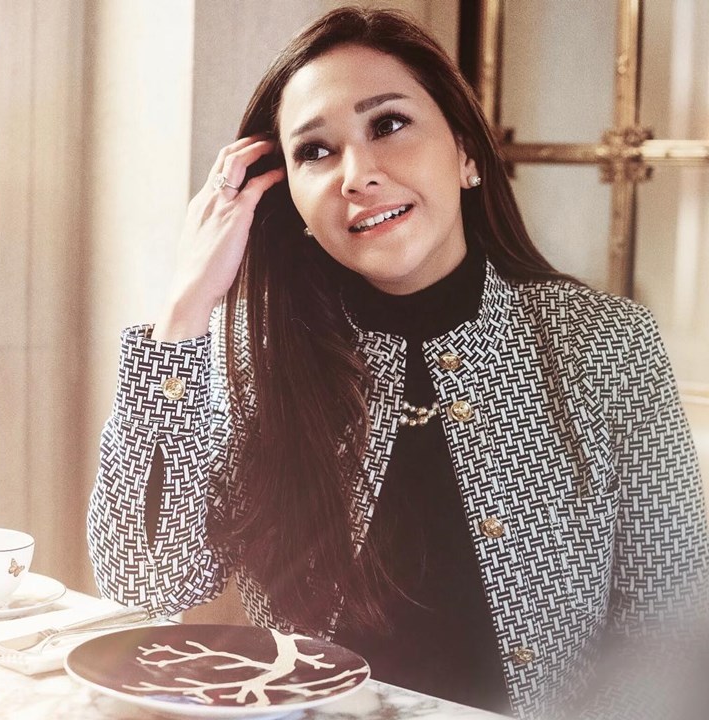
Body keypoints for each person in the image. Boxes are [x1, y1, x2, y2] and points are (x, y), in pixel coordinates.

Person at [87, 7, 708, 719]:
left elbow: (669, 635)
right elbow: (147, 580)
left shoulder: (604, 345)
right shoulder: (262, 362)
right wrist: (184, 309)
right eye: (315, 151)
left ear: (467, 154)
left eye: (387, 124)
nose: (358, 175)